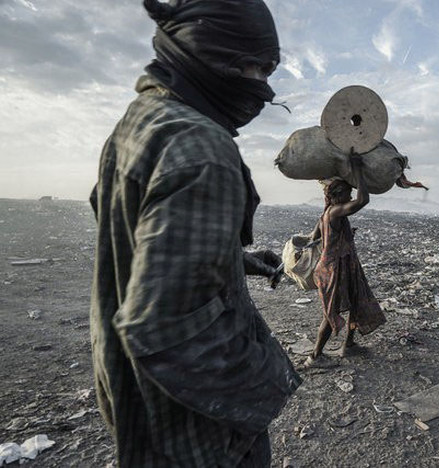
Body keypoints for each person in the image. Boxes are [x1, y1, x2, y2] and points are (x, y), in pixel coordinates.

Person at [89, 1, 301, 466]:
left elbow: (129, 221)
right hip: (192, 424)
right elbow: (164, 328)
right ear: (216, 53)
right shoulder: (202, 146)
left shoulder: (142, 121)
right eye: (257, 67)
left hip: (130, 389)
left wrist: (229, 256)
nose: (264, 88)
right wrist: (268, 377)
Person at [303, 154, 387, 368]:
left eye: (350, 192)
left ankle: (348, 346)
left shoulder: (326, 214)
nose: (350, 196)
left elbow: (316, 237)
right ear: (337, 196)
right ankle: (314, 357)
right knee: (330, 314)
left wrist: (345, 236)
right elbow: (363, 200)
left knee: (355, 303)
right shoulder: (335, 212)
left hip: (340, 266)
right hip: (334, 270)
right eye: (347, 193)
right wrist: (357, 169)